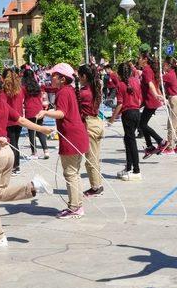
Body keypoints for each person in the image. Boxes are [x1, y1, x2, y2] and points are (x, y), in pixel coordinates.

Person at [0, 67, 54, 248]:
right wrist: (42, 129)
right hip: (7, 151)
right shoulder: (0, 100)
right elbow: (21, 120)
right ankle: (33, 187)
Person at [36, 63, 90, 219]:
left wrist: (45, 113)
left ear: (62, 79)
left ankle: (75, 207)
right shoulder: (69, 90)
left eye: (53, 75)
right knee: (75, 173)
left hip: (71, 137)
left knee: (70, 173)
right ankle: (77, 205)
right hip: (78, 135)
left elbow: (61, 113)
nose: (51, 77)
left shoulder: (64, 92)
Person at [108, 62, 143, 181]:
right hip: (136, 112)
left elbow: (120, 103)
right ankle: (128, 167)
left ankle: (136, 170)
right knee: (127, 139)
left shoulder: (121, 85)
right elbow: (139, 99)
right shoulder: (136, 81)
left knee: (131, 141)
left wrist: (112, 119)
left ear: (119, 73)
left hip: (128, 114)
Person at [77, 64, 105, 197]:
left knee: (91, 159)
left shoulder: (84, 92)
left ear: (84, 76)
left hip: (89, 125)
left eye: (79, 76)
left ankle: (95, 187)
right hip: (97, 122)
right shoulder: (94, 88)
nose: (78, 79)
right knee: (95, 157)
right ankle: (98, 184)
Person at [138, 51, 168, 158]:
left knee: (142, 124)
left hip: (151, 101)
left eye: (140, 58)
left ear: (145, 59)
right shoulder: (150, 69)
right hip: (151, 100)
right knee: (142, 123)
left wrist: (156, 95)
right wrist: (161, 97)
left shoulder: (146, 70)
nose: (138, 60)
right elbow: (156, 85)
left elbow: (151, 85)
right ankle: (150, 146)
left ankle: (161, 141)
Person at [21, 68, 49, 160]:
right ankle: (46, 150)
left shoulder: (24, 88)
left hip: (30, 110)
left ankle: (34, 152)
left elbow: (22, 99)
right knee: (40, 130)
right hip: (39, 109)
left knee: (31, 132)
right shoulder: (38, 86)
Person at [1, 68, 25, 175]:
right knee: (15, 143)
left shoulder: (5, 90)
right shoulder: (20, 89)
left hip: (9, 119)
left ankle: (14, 166)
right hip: (19, 118)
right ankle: (17, 165)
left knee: (12, 144)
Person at [161, 57, 177, 155]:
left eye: (164, 64)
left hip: (175, 101)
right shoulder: (175, 73)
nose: (163, 66)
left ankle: (170, 147)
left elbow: (157, 78)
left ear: (168, 65)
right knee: (176, 126)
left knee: (171, 125)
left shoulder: (169, 75)